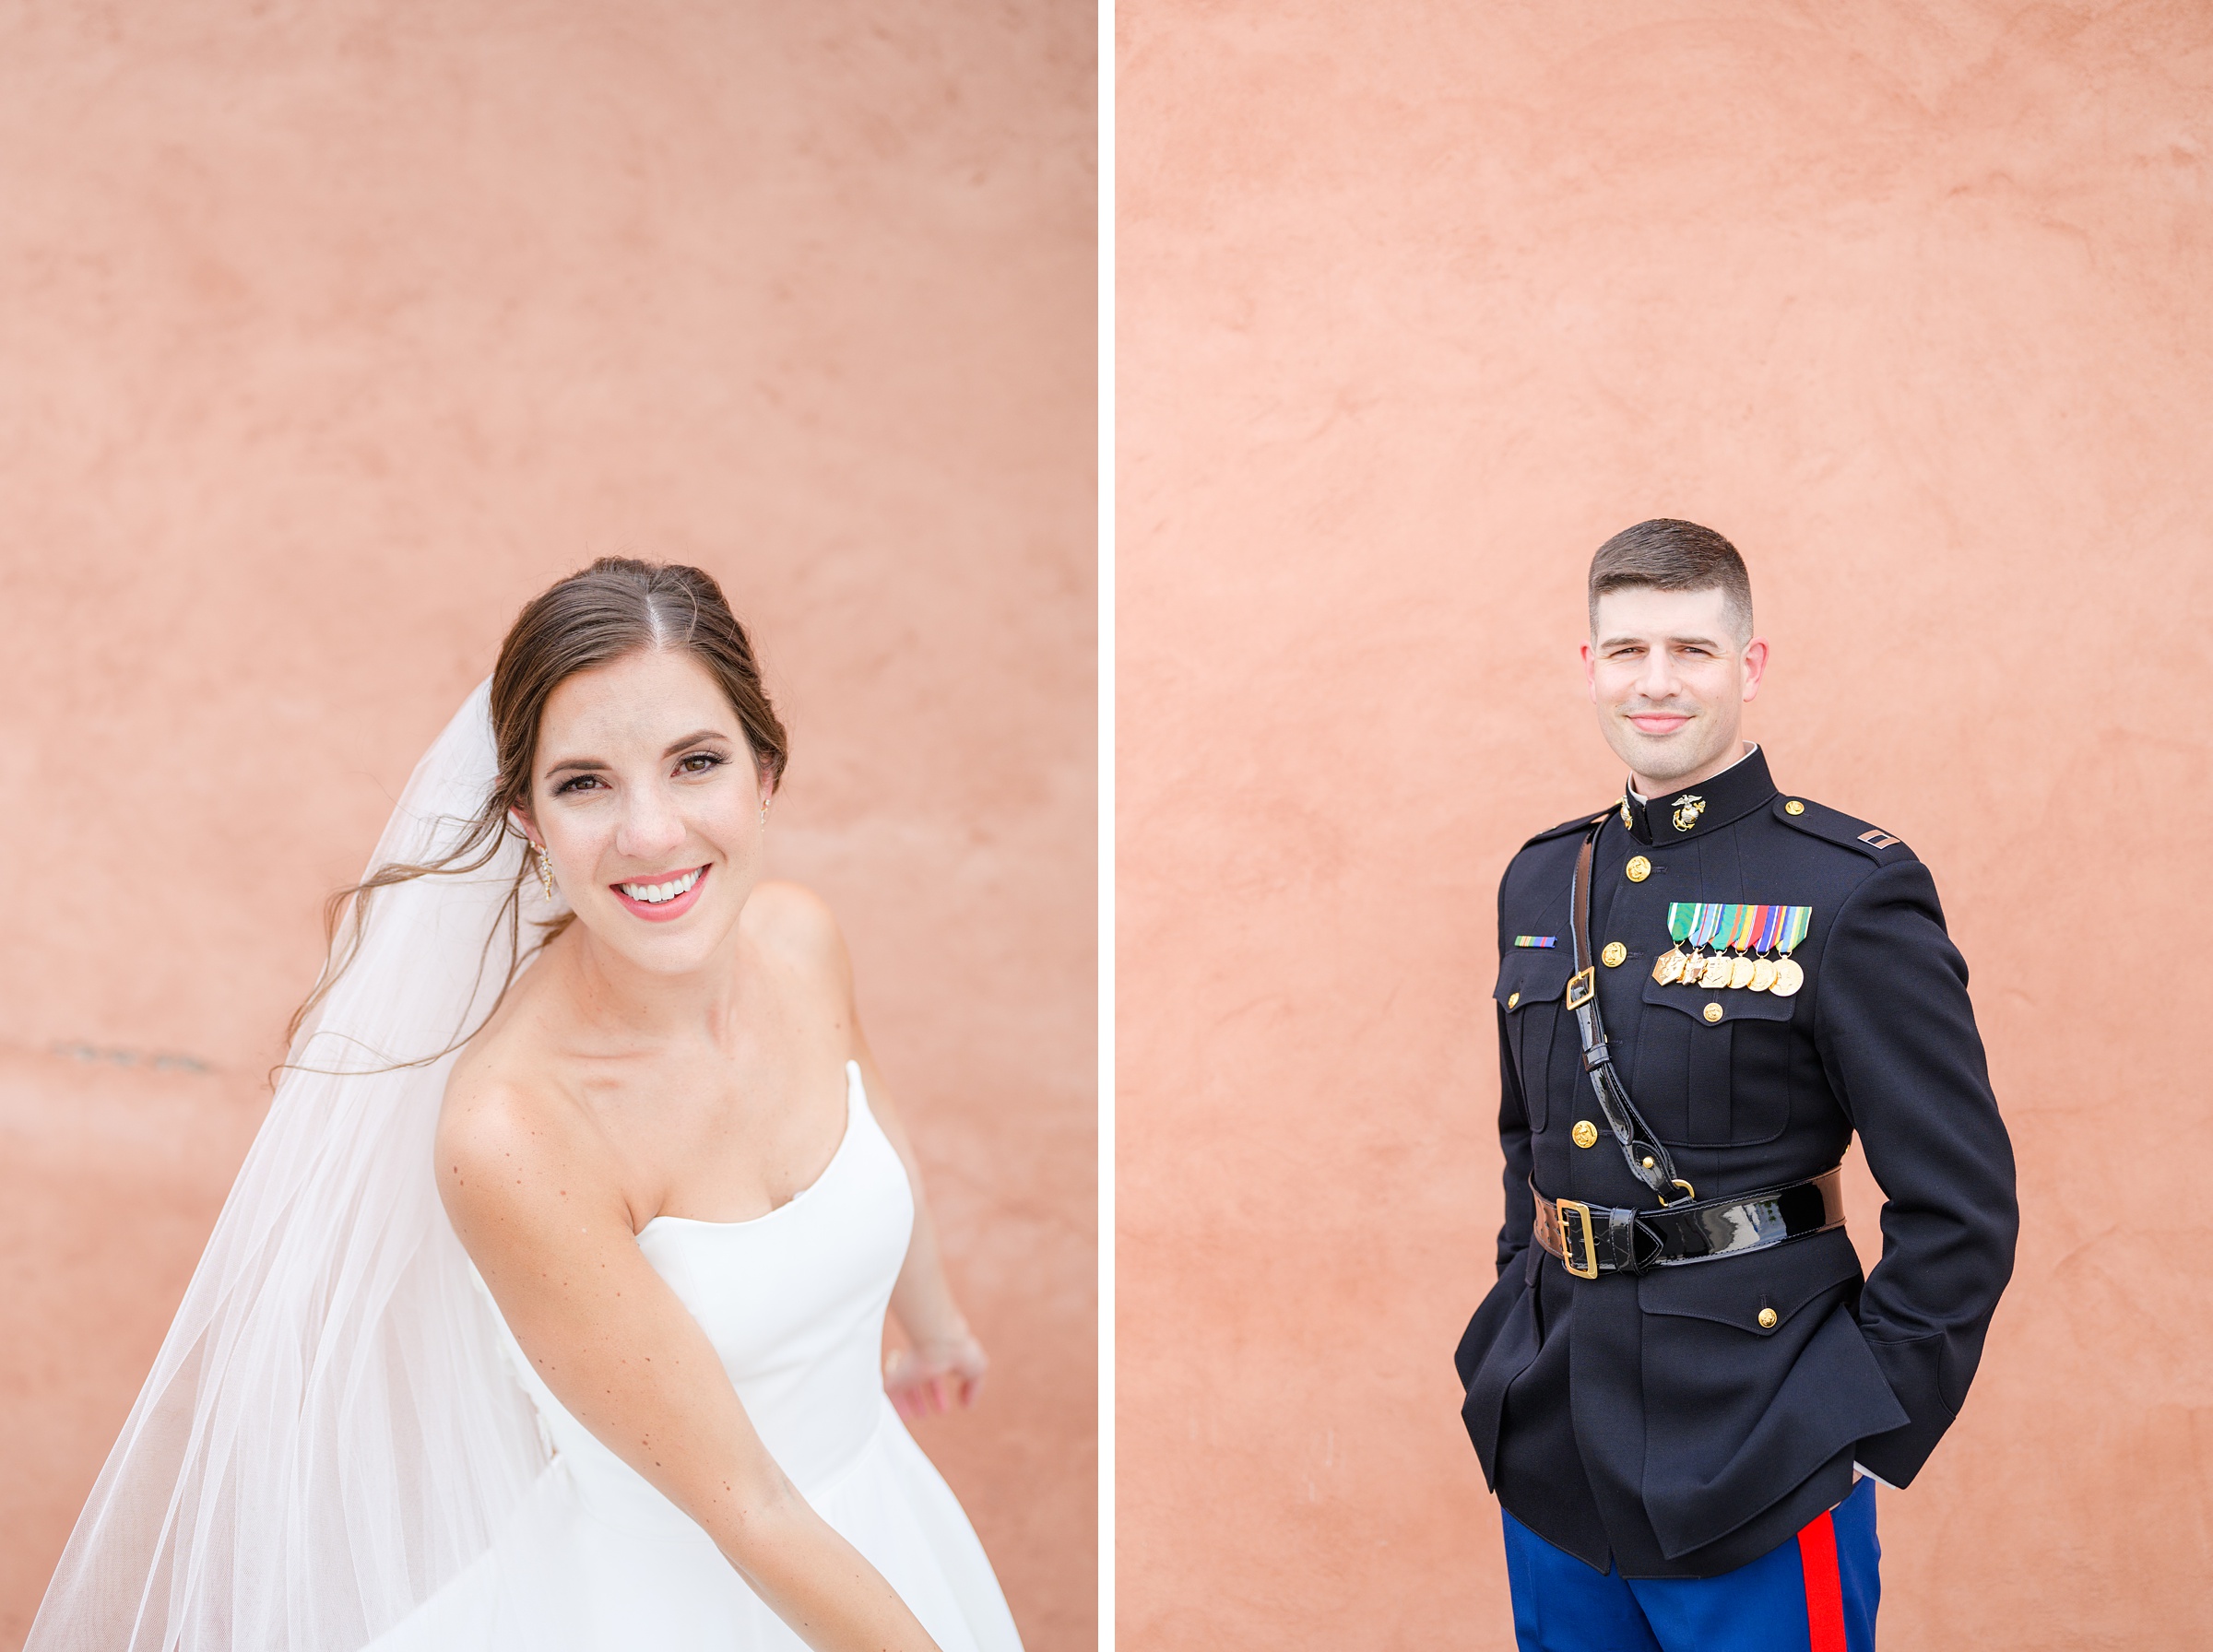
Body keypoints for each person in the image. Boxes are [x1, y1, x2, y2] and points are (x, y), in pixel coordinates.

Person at [29, 559, 1025, 1652]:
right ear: (526, 820)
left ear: (766, 771)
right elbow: (749, 1505)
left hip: (879, 1513)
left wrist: (935, 1329)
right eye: (585, 782)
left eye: (696, 762)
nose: (649, 832)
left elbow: (876, 1141)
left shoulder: (799, 936)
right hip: (692, 1594)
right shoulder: (518, 1134)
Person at [1453, 521, 2017, 1652]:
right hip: (1560, 1440)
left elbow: (1962, 1207)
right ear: (1590, 667)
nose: (1655, 682)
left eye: (1692, 651)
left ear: (1748, 668)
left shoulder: (1846, 891)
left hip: (1760, 1448)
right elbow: (1531, 1151)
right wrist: (1512, 1338)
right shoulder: (1539, 878)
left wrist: (1850, 1423)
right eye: (1627, 651)